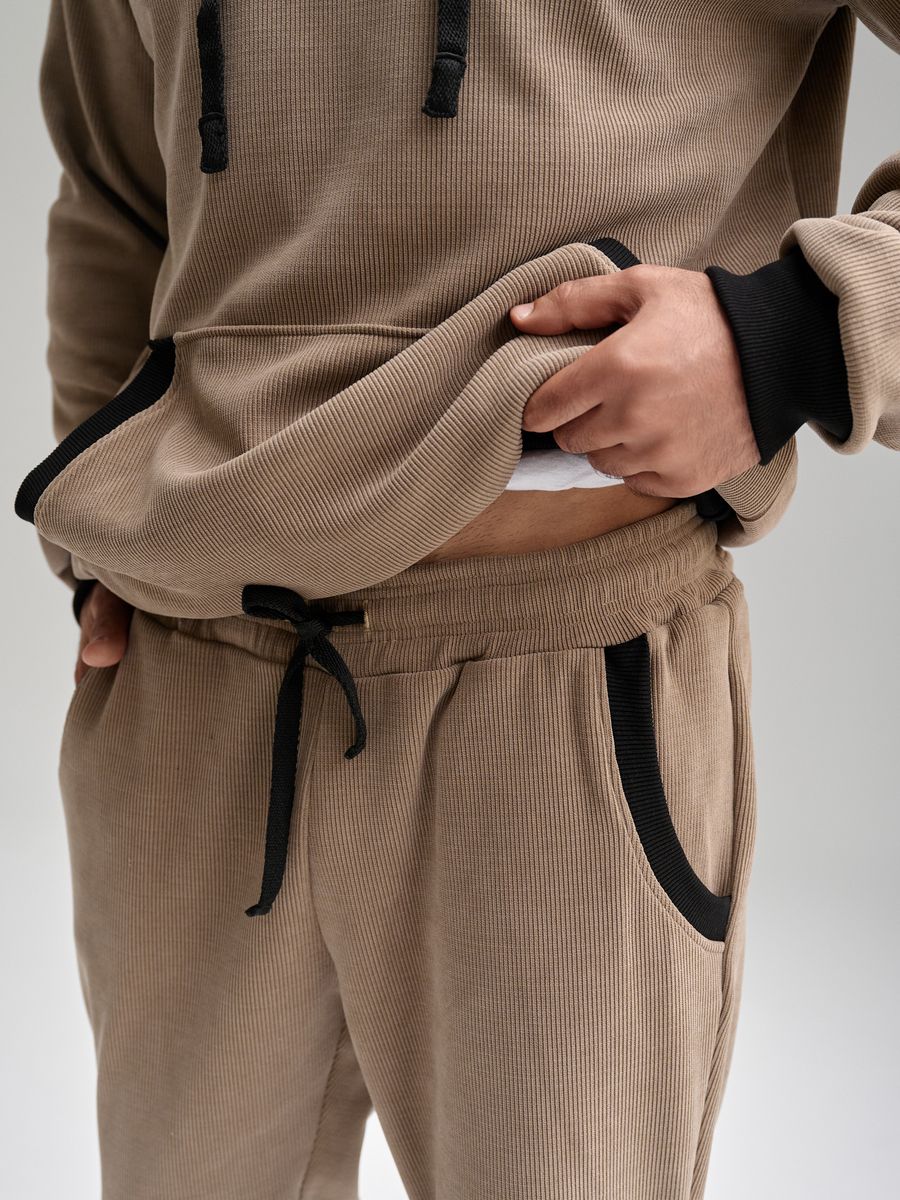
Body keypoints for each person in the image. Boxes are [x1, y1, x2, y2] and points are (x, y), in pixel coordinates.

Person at [15, 1, 898, 1197]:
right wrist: (93, 551)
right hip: (190, 689)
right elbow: (113, 187)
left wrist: (800, 333)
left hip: (559, 686)